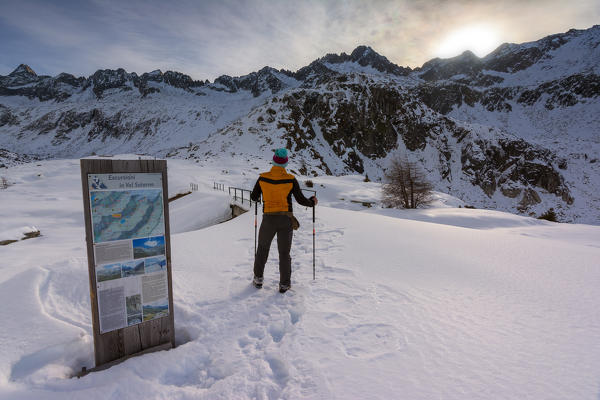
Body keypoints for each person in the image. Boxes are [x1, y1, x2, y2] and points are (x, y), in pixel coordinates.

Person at [250, 148, 317, 293]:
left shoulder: (262, 178)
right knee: (284, 253)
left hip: (268, 219)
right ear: (286, 163)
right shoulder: (291, 179)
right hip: (285, 219)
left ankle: (258, 278)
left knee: (262, 249)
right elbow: (300, 200)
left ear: (273, 161)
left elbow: (254, 197)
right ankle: (284, 284)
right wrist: (312, 202)